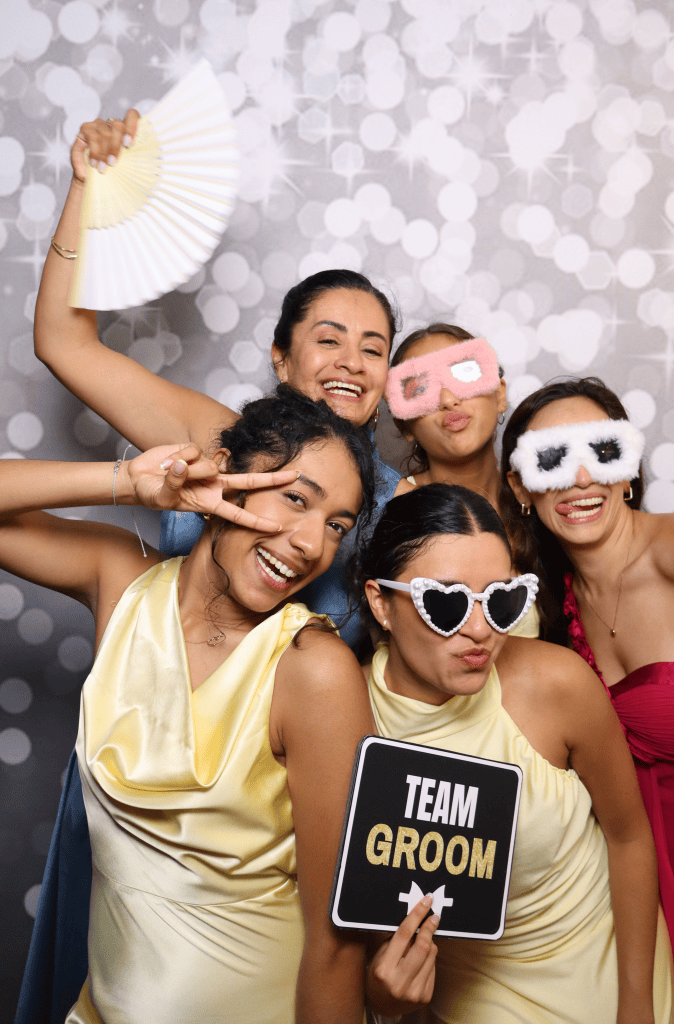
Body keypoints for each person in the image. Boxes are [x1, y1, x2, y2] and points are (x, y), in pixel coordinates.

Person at [20, 110, 401, 1023]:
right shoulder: (213, 442)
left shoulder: (400, 508)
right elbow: (65, 343)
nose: (350, 363)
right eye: (328, 338)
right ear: (279, 358)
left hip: (277, 821)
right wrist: (88, 190)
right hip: (141, 763)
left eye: (374, 348)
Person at [7, 386, 386, 1023]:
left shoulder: (313, 670)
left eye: (337, 527)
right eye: (296, 498)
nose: (309, 543)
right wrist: (131, 481)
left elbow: (335, 943)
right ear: (228, 478)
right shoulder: (121, 579)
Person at [357, 484, 674, 1024]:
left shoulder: (557, 683)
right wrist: (383, 998)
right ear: (380, 602)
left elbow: (628, 836)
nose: (480, 631)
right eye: (444, 603)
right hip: (472, 1003)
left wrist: (638, 1006)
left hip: (607, 978)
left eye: (501, 602)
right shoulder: (348, 722)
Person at [500, 376, 674, 1024]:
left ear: (628, 471)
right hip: (648, 891)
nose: (579, 478)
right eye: (551, 460)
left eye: (602, 451)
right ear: (519, 489)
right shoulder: (553, 604)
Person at [384, 323, 539, 640]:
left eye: (465, 374)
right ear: (405, 426)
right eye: (419, 389)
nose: (448, 399)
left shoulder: (540, 500)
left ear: (499, 395)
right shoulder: (389, 511)